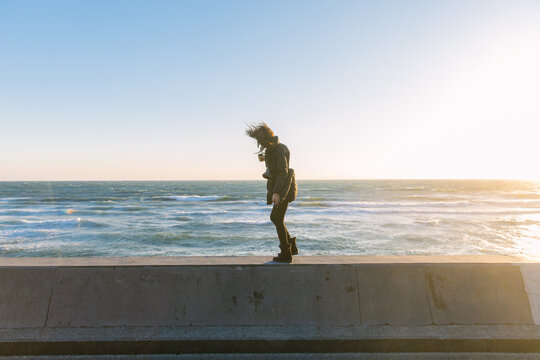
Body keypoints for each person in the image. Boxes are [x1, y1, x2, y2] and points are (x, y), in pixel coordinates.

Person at [245, 122, 298, 263]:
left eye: (261, 140)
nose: (260, 143)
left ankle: (287, 253)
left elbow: (283, 172)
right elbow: (273, 170)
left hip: (284, 189)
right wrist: (265, 159)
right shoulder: (270, 150)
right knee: (276, 218)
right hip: (279, 188)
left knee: (276, 218)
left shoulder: (280, 149)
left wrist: (277, 193)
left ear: (268, 137)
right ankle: (290, 247)